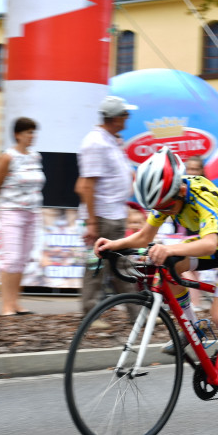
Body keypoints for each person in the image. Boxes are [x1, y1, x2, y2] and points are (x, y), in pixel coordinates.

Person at [94, 146, 218, 415]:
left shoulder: (200, 196)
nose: (163, 211)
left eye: (166, 207)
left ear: (181, 191)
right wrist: (113, 244)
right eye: (158, 208)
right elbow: (143, 236)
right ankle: (195, 328)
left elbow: (209, 245)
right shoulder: (167, 197)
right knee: (166, 265)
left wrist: (171, 248)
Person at [77, 96, 137, 318]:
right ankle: (91, 312)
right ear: (114, 118)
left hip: (113, 214)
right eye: (124, 114)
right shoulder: (96, 143)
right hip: (104, 216)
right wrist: (92, 222)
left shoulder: (110, 140)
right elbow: (87, 185)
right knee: (99, 267)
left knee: (117, 265)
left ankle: (134, 311)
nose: (127, 118)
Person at [0, 117, 44, 317]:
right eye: (28, 132)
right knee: (11, 259)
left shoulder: (35, 156)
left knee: (22, 259)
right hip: (12, 212)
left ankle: (16, 302)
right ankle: (5, 305)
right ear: (17, 134)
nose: (32, 136)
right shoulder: (8, 157)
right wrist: (14, 196)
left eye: (34, 132)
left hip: (32, 213)